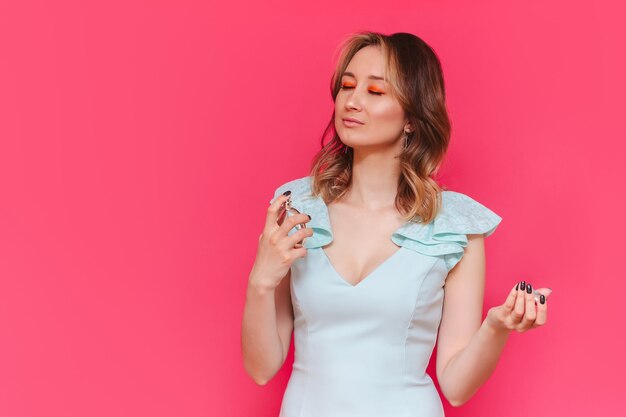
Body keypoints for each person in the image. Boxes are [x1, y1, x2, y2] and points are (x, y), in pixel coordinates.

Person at [241, 31, 552, 417]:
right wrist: (260, 280)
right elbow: (261, 367)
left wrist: (495, 327)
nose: (351, 102)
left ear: (411, 118)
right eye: (347, 86)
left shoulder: (454, 226)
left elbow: (455, 387)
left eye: (376, 92)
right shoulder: (298, 209)